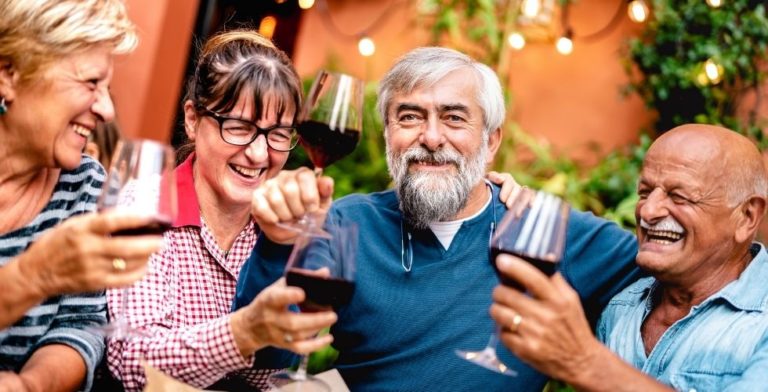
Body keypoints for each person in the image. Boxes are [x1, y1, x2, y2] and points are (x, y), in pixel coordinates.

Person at [234, 46, 642, 391]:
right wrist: (278, 242)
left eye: (454, 117)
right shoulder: (346, 222)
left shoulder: (542, 227)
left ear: (491, 140)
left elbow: (670, 271)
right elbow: (265, 356)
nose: (431, 138)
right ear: (387, 134)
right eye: (410, 117)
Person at [105, 30, 340, 392]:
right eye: (239, 127)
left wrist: (281, 246)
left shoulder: (285, 225)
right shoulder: (145, 207)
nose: (259, 155)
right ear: (193, 119)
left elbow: (274, 372)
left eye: (278, 134)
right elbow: (133, 367)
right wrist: (244, 331)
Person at [491, 124, 768, 391]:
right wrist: (492, 199)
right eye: (645, 193)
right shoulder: (621, 307)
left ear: (747, 216)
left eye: (679, 196)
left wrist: (587, 363)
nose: (648, 212)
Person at [0, 1, 164, 391]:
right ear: (8, 73)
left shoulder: (84, 182)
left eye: (108, 88)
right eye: (91, 83)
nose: (107, 110)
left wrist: (30, 386)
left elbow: (81, 325)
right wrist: (33, 275)